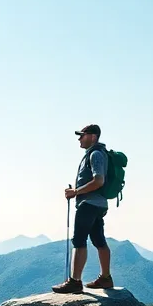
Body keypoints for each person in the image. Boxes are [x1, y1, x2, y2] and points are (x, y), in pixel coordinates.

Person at [52, 123, 113, 293]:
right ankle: (105, 278)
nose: (79, 138)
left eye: (82, 135)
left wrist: (75, 192)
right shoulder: (98, 154)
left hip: (89, 205)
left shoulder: (95, 154)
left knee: (79, 241)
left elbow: (98, 180)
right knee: (99, 240)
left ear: (93, 137)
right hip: (98, 204)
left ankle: (75, 281)